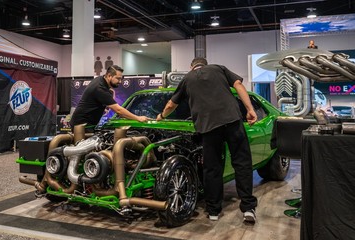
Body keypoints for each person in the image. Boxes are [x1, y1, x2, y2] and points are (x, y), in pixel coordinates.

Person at [156, 57, 258, 224]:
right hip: (232, 120)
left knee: (212, 168)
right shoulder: (219, 68)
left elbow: (170, 105)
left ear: (192, 67)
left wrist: (160, 117)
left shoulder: (187, 79)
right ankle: (248, 208)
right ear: (206, 63)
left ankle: (213, 210)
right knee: (242, 163)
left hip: (208, 126)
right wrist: (249, 109)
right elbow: (238, 85)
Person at [70, 65, 149, 130]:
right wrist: (138, 118)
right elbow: (119, 111)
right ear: (109, 76)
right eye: (118, 78)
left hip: (88, 124)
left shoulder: (100, 80)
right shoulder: (100, 89)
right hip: (81, 126)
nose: (120, 81)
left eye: (121, 79)